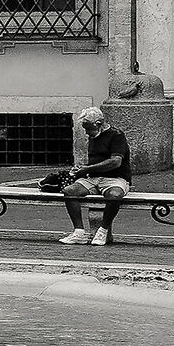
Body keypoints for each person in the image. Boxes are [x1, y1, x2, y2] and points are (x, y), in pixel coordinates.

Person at [59, 105, 131, 246]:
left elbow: (115, 162)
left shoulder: (117, 135)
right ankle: (78, 232)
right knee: (70, 191)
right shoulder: (94, 135)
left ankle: (103, 230)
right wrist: (82, 169)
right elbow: (96, 161)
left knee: (115, 195)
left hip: (115, 178)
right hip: (93, 178)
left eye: (87, 128)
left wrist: (87, 169)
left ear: (98, 123)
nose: (86, 132)